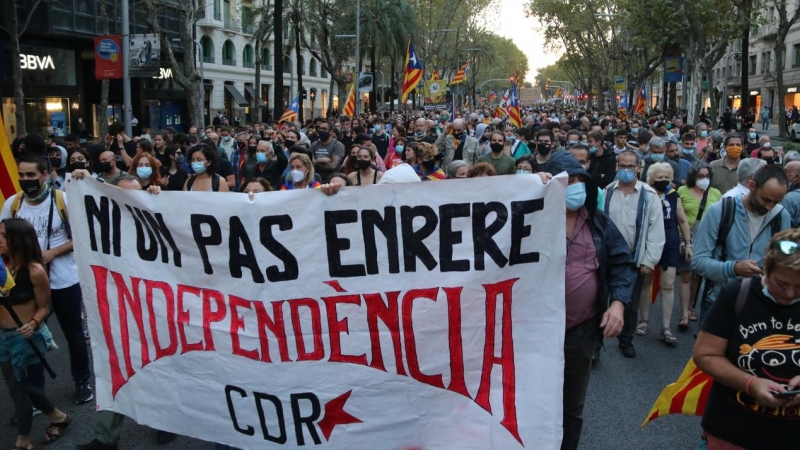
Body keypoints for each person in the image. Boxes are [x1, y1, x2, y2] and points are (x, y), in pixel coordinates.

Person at [542, 151, 635, 450]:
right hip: (535, 333)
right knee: (534, 402)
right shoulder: (530, 217)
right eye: (568, 181)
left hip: (580, 331)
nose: (576, 187)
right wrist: (529, 188)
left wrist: (618, 302)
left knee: (571, 408)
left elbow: (622, 262)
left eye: (582, 180)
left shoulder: (597, 221)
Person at [0, 153, 94, 404]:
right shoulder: (13, 203)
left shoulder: (62, 200)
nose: (25, 179)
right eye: (21, 175)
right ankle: (36, 396)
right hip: (26, 282)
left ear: (44, 175)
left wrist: (54, 252)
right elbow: (3, 241)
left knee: (73, 333)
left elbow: (84, 236)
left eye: (31, 175)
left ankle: (82, 380)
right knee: (28, 336)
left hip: (63, 280)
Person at [693, 229, 800, 449]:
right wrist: (750, 384)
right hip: (733, 431)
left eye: (799, 287)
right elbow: (705, 355)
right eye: (781, 284)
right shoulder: (737, 295)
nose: (790, 294)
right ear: (766, 270)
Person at [0, 218, 73, 448]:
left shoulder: (35, 270)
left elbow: (45, 307)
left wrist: (32, 323)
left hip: (25, 339)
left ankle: (23, 440)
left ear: (17, 239)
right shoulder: (1, 267)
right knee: (18, 386)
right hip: (3, 338)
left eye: (3, 236)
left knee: (18, 390)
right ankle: (58, 416)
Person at [693, 165, 792, 321]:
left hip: (762, 304)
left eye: (776, 202)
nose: (769, 207)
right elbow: (698, 262)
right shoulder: (720, 211)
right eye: (765, 199)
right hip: (720, 301)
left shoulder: (781, 216)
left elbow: (786, 261)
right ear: (752, 186)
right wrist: (734, 268)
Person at [603, 151, 665, 358]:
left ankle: (626, 339)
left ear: (639, 168)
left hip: (633, 259)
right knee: (599, 299)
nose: (627, 170)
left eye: (631, 166)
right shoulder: (607, 192)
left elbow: (656, 229)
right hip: (607, 257)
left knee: (629, 301)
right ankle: (595, 343)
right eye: (623, 166)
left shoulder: (649, 195)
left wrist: (649, 260)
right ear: (617, 167)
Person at [640, 162, 692, 345]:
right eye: (659, 177)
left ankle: (665, 327)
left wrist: (688, 243)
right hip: (649, 240)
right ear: (651, 179)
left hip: (670, 241)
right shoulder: (645, 194)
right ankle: (644, 320)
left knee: (668, 284)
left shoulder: (673, 195)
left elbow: (683, 221)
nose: (663, 181)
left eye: (666, 178)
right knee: (645, 280)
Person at [677, 162, 723, 329]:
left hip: (707, 239)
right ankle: (684, 313)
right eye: (700, 176)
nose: (704, 179)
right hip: (686, 237)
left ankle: (691, 306)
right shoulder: (682, 192)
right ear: (693, 177)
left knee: (697, 276)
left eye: (707, 176)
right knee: (686, 274)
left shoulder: (716, 194)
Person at [780, 161, 800, 227]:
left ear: (796, 177)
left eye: (785, 171)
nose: (782, 174)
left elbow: (781, 227)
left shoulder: (788, 199)